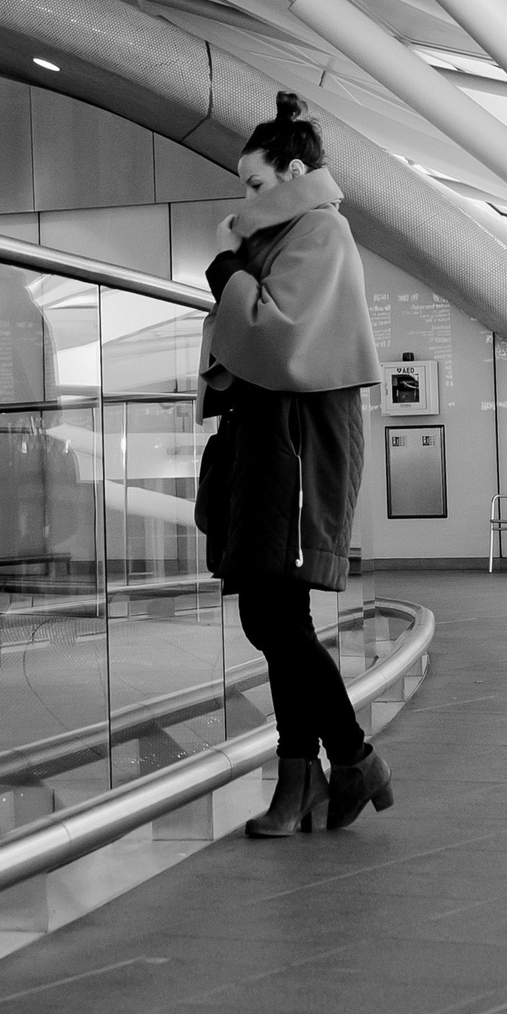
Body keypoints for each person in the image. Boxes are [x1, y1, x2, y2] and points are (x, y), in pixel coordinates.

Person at [193, 93, 395, 836]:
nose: (244, 198)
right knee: (271, 613)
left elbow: (277, 337)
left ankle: (330, 765)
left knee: (276, 613)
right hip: (269, 439)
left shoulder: (322, 230)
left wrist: (225, 266)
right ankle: (329, 768)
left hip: (298, 441)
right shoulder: (283, 234)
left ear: (297, 171)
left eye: (255, 183)